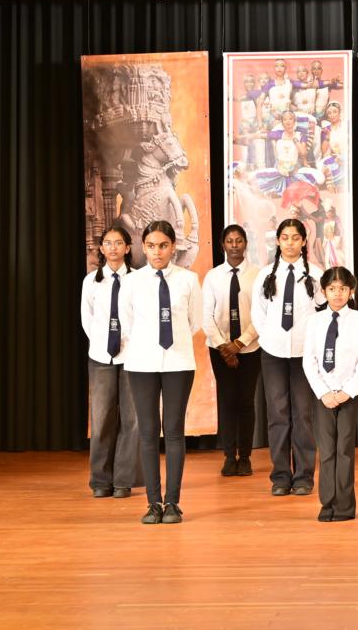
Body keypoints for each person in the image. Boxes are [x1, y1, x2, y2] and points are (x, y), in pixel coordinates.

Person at [120, 221, 203, 524]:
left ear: (173, 247)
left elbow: (195, 322)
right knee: (147, 431)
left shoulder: (188, 280)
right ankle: (153, 502)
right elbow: (127, 322)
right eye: (152, 246)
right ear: (143, 247)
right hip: (142, 363)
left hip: (178, 362)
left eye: (163, 245)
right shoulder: (131, 282)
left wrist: (172, 342)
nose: (157, 252)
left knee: (174, 430)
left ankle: (173, 503)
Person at [251, 218, 324, 497]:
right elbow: (258, 314)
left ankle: (304, 476)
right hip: (273, 353)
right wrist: (271, 338)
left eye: (295, 238)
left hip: (305, 354)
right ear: (278, 241)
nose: (290, 243)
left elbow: (322, 312)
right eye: (285, 237)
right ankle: (281, 476)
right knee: (278, 414)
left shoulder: (315, 275)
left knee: (303, 415)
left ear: (304, 241)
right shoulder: (265, 275)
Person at [303, 267, 358, 522]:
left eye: (343, 288)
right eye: (332, 288)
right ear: (323, 291)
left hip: (348, 394)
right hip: (323, 395)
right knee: (327, 451)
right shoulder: (315, 321)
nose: (338, 293)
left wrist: (347, 391)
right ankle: (327, 503)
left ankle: (344, 506)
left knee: (344, 449)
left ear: (351, 291)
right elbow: (309, 360)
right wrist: (323, 392)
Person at [80, 225, 140, 499]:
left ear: (127, 248)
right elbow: (88, 319)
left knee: (132, 419)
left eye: (118, 243)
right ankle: (101, 480)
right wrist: (104, 343)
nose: (113, 247)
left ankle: (123, 480)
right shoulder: (91, 281)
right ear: (102, 248)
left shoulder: (138, 280)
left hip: (133, 357)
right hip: (101, 356)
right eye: (108, 242)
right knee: (102, 418)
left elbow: (142, 317)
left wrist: (130, 343)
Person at [202, 225, 261, 478]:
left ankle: (245, 457)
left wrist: (240, 343)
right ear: (222, 245)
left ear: (246, 243)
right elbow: (206, 316)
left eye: (239, 240)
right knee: (227, 401)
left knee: (246, 402)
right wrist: (224, 347)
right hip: (219, 349)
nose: (234, 245)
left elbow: (262, 315)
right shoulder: (213, 276)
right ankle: (228, 456)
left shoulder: (258, 275)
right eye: (229, 241)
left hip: (250, 348)